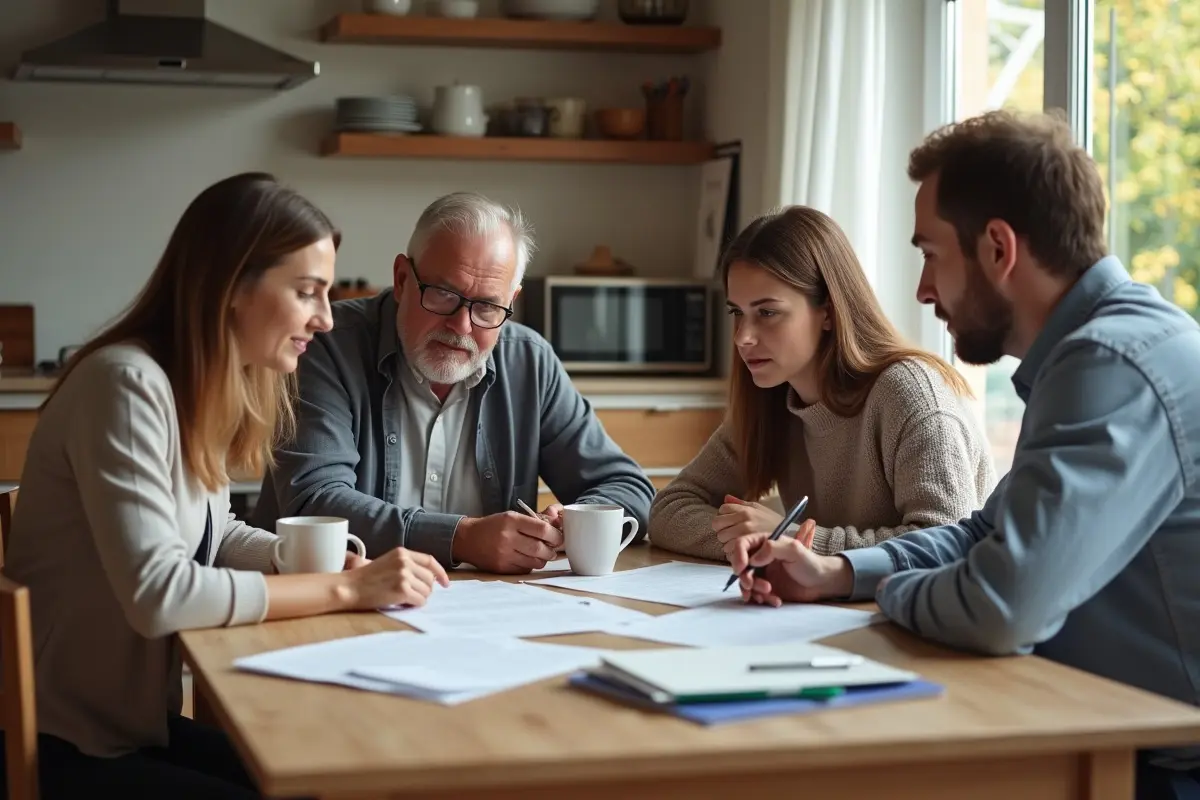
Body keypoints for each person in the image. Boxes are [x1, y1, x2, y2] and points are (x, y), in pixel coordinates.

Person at [728, 110, 1200, 798]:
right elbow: (985, 533)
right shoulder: (1096, 352)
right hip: (1111, 731)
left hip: (1161, 768)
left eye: (930, 253)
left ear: (999, 248)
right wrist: (837, 574)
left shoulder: (1110, 364)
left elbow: (1002, 606)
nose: (923, 289)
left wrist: (891, 594)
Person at [0, 173, 449, 799]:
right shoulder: (126, 386)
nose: (324, 318)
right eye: (306, 292)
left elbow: (212, 533)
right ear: (232, 285)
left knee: (331, 777)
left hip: (132, 729)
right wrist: (344, 587)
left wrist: (296, 558)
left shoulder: (190, 387)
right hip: (64, 748)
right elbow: (159, 592)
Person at [249, 191, 655, 574]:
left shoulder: (529, 361)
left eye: (487, 306)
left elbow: (628, 487)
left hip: (485, 614)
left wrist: (574, 521)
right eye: (444, 294)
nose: (461, 325)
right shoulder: (326, 347)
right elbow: (314, 505)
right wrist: (460, 538)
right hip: (335, 605)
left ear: (511, 302)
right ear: (403, 277)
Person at [649, 206, 995, 562]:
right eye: (737, 312)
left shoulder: (909, 395)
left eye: (767, 313)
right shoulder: (773, 396)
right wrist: (758, 544)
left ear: (828, 312)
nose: (743, 338)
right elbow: (668, 511)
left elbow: (946, 544)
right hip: (839, 608)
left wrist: (793, 540)